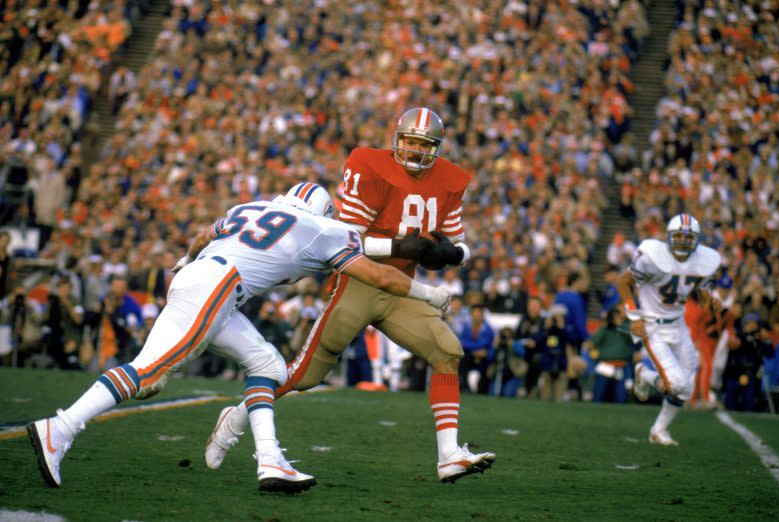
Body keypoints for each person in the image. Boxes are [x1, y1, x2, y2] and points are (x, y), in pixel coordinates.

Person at [27, 182, 451, 493]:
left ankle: (270, 461)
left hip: (203, 277)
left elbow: (200, 238)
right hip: (221, 286)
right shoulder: (322, 229)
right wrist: (430, 293)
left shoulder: (249, 207)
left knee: (267, 364)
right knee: (147, 369)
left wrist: (184, 262)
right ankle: (59, 428)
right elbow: (377, 271)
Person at [205, 107, 496, 484]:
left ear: (437, 147)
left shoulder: (450, 181)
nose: (416, 151)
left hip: (402, 288)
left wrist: (454, 254)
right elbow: (345, 240)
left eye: (425, 144)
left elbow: (458, 244)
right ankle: (236, 417)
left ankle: (449, 456)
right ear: (397, 139)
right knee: (304, 376)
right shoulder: (369, 165)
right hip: (359, 282)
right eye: (410, 141)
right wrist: (400, 246)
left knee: (447, 352)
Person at [617, 213, 721, 446]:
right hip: (652, 326)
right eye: (679, 236)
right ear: (668, 237)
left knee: (687, 387)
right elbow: (623, 282)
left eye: (689, 237)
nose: (683, 241)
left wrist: (708, 300)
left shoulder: (702, 262)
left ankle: (658, 430)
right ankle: (643, 374)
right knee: (675, 384)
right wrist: (633, 316)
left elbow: (695, 289)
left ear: (697, 240)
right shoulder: (653, 258)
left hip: (678, 324)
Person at [585, 305, 633, 403]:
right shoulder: (604, 330)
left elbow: (632, 338)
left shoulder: (626, 327)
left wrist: (620, 324)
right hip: (605, 366)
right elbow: (589, 344)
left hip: (621, 367)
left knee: (620, 398)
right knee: (599, 396)